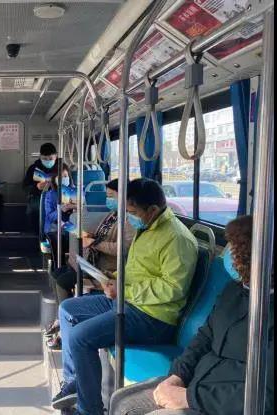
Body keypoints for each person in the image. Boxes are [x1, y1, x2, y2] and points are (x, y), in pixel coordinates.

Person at [52, 178, 199, 415]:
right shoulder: (147, 227)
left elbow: (173, 288)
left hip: (153, 318)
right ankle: (76, 382)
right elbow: (138, 269)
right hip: (128, 301)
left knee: (80, 338)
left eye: (132, 212)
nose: (129, 217)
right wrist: (113, 279)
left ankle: (89, 410)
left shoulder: (176, 239)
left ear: (152, 210)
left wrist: (123, 290)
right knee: (68, 310)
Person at [110, 215, 274, 415]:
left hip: (226, 403)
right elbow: (205, 337)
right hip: (198, 381)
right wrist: (177, 375)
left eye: (236, 249)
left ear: (254, 258)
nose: (229, 255)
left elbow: (266, 395)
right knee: (121, 400)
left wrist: (189, 398)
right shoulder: (233, 290)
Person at [45, 179, 135, 347]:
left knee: (63, 280)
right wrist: (90, 236)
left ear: (123, 196)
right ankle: (61, 318)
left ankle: (65, 325)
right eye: (107, 196)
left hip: (107, 268)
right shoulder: (113, 215)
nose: (108, 200)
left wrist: (96, 243)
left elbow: (125, 248)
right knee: (57, 273)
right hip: (94, 261)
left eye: (111, 196)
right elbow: (102, 234)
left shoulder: (129, 221)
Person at [24, 143, 59, 234]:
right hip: (38, 197)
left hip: (57, 198)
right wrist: (36, 186)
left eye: (50, 159)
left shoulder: (61, 168)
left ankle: (53, 234)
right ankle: (36, 234)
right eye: (45, 159)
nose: (48, 161)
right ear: (40, 157)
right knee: (35, 208)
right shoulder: (33, 168)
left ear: (56, 156)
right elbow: (25, 186)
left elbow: (69, 184)